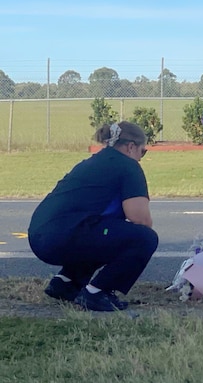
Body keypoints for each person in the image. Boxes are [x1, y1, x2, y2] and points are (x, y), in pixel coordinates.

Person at [28, 121, 159, 312]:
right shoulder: (128, 166)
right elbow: (140, 219)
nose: (141, 158)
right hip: (65, 236)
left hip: (41, 235)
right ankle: (97, 292)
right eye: (143, 152)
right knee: (145, 238)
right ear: (131, 147)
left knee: (105, 230)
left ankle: (66, 283)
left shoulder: (92, 162)